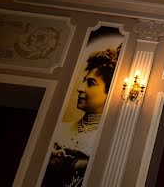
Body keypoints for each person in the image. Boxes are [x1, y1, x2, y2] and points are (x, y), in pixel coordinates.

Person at [43, 46, 120, 187]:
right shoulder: (60, 129)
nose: (80, 88)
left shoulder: (112, 140)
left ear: (110, 92)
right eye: (84, 81)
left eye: (91, 83)